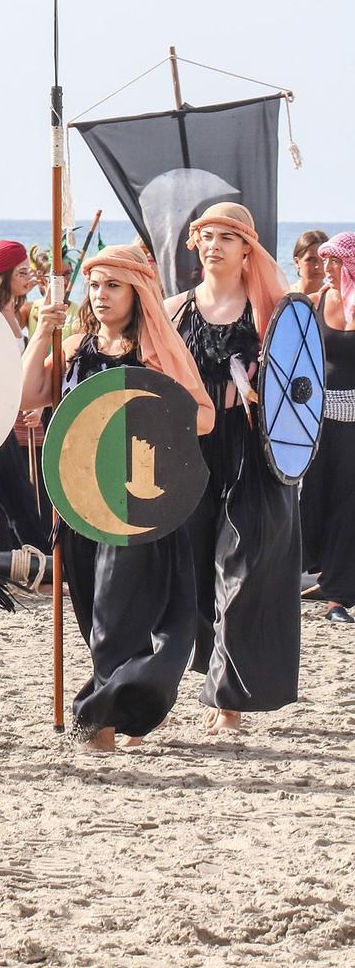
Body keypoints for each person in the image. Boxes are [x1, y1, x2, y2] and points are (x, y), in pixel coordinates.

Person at [19, 246, 213, 750]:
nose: (101, 296)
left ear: (137, 292)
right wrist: (43, 330)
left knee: (113, 616)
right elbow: (26, 398)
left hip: (137, 501)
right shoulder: (76, 342)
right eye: (96, 285)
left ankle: (100, 723)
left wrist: (145, 416)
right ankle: (133, 706)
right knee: (93, 616)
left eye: (113, 286)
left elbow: (205, 417)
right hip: (79, 497)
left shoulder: (158, 350)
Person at [168, 202, 301, 733]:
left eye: (229, 235)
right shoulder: (175, 310)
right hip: (192, 453)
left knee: (243, 571)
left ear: (249, 247)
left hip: (255, 453)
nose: (215, 243)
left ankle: (230, 703)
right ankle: (211, 674)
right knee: (198, 570)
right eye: (207, 234)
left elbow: (299, 386)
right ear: (196, 244)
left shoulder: (274, 311)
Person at [0, 240, 52, 558]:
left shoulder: (14, 312)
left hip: (3, 420)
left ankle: (37, 560)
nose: (28, 276)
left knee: (1, 495)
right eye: (21, 271)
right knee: (15, 495)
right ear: (3, 276)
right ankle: (42, 562)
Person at [303, 231, 355, 624]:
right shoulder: (317, 302)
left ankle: (337, 596)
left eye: (336, 261)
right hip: (319, 420)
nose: (328, 268)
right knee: (312, 502)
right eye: (327, 261)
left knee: (346, 506)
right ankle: (324, 577)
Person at [291, 229, 328, 297]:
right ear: (297, 262)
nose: (318, 266)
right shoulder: (283, 297)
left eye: (324, 260)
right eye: (311, 259)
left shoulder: (336, 300)